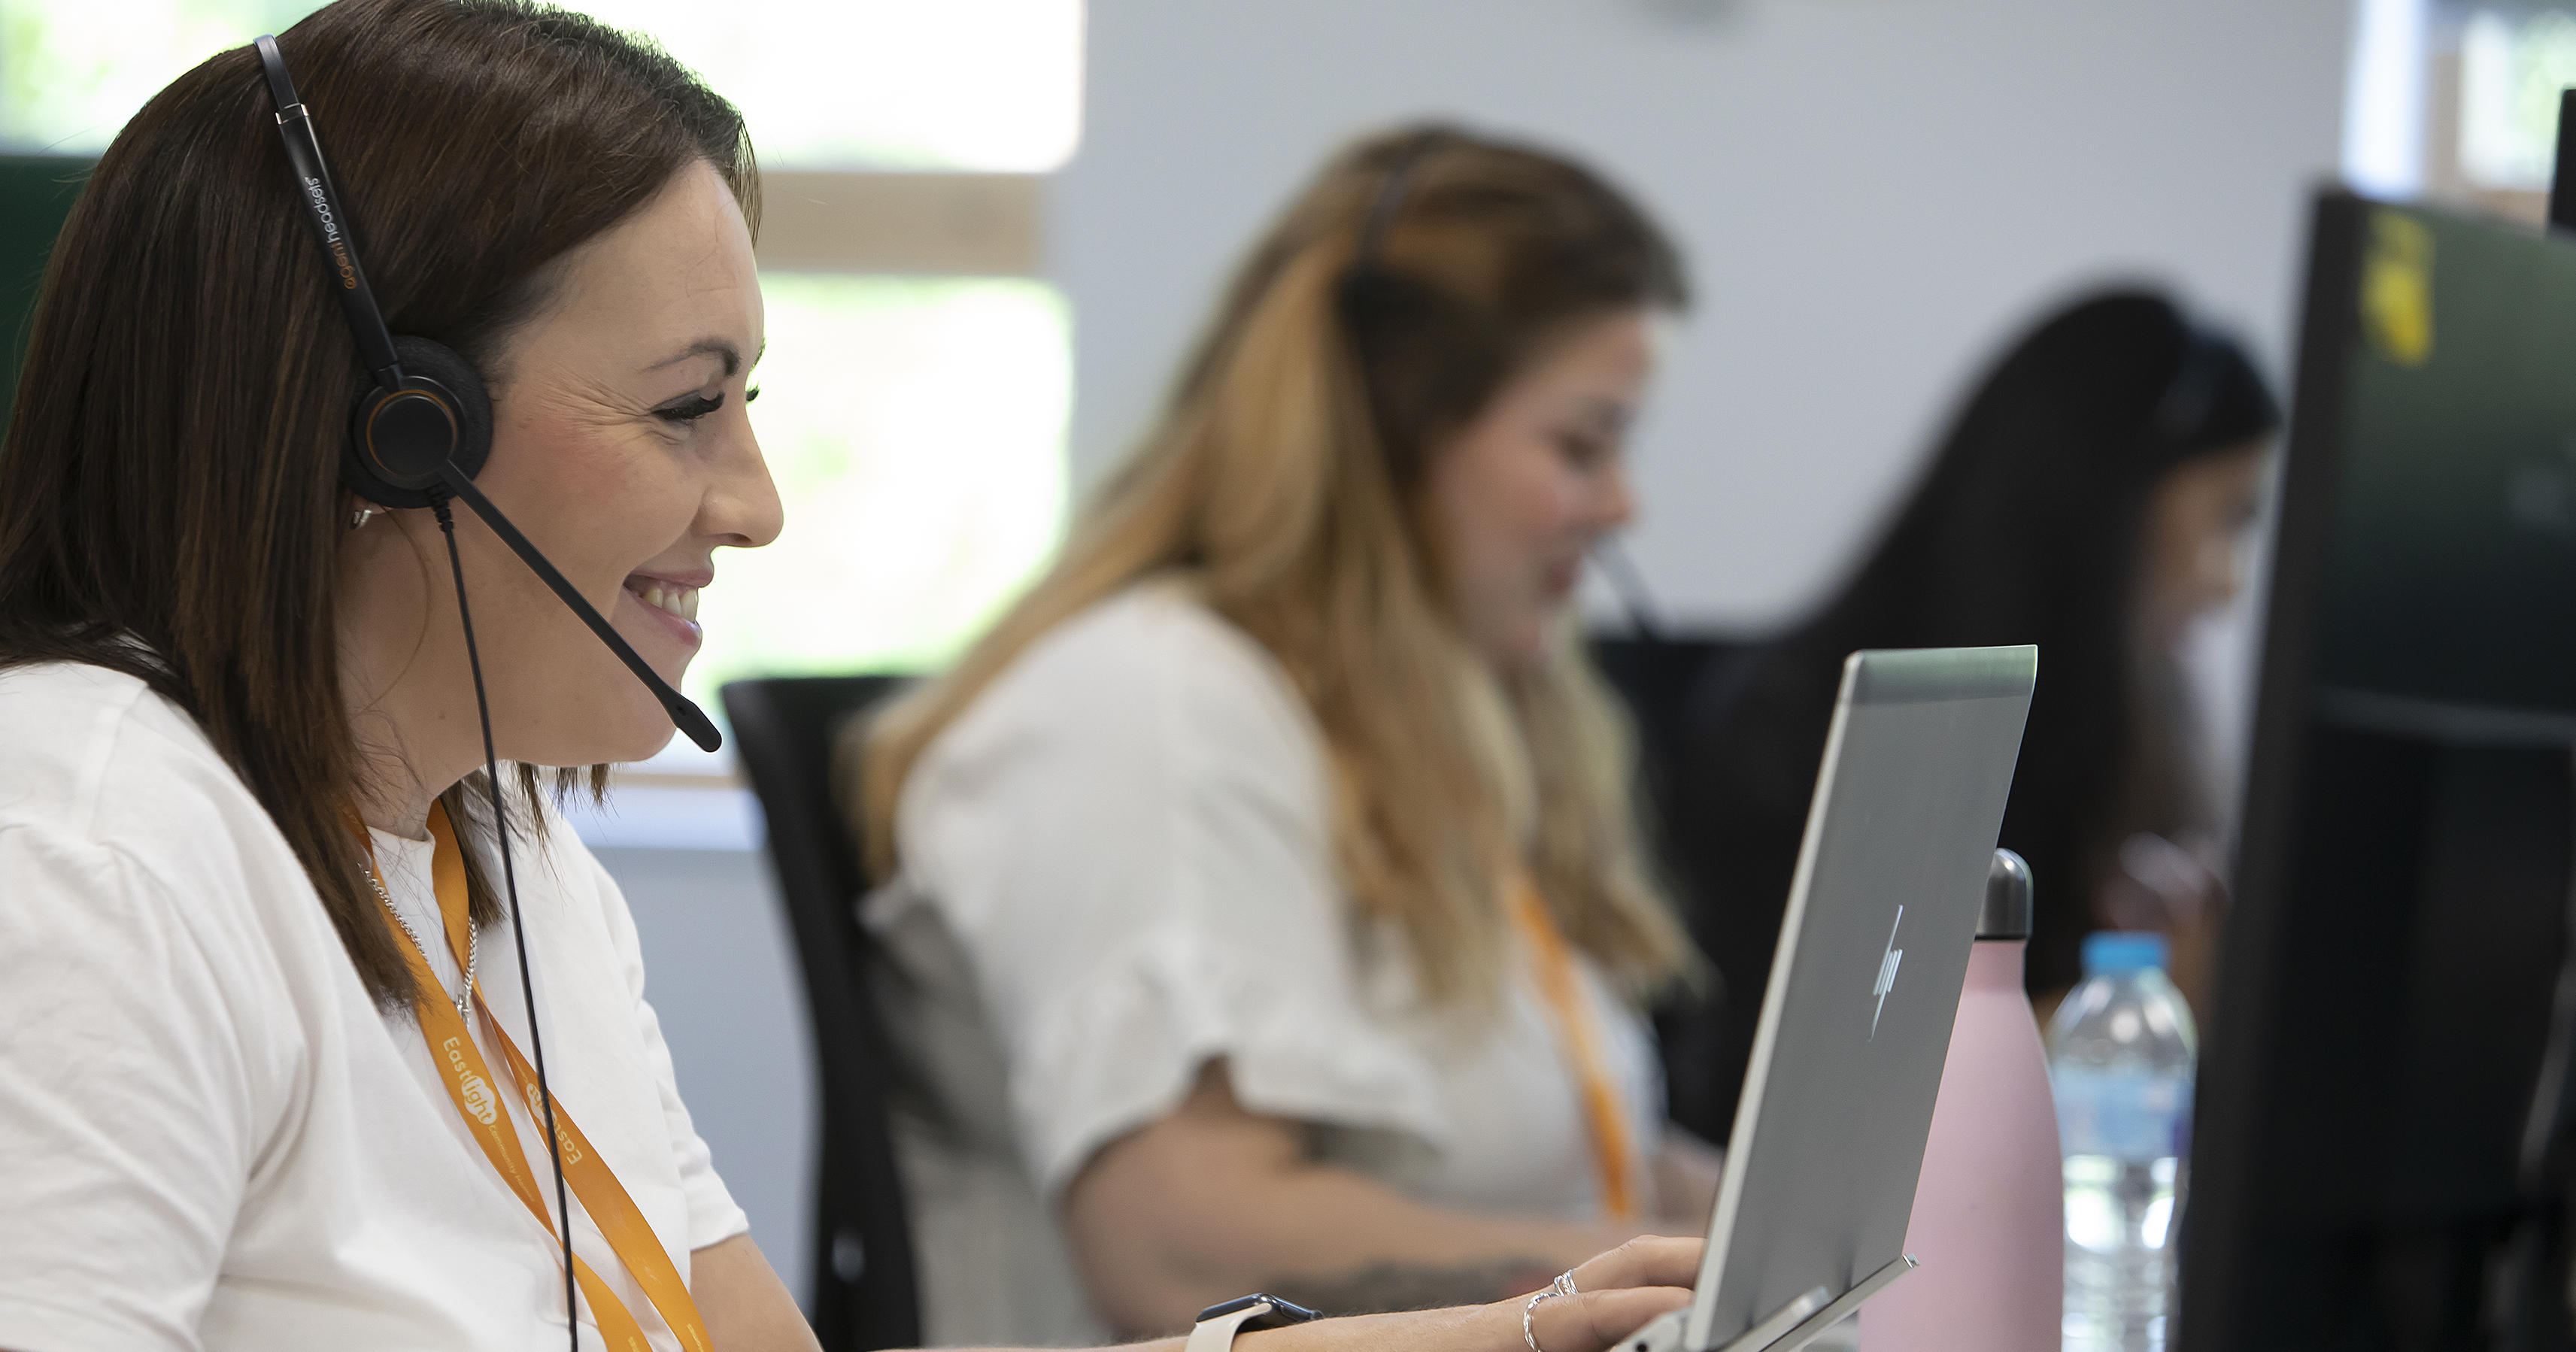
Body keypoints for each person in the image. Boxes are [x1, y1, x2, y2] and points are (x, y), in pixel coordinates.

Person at [0, 7, 1694, 1352]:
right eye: (684, 405)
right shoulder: (86, 851)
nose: (754, 501)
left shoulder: (502, 851)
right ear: (399, 434)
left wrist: (1501, 1331)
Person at [848, 126, 1722, 1346]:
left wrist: (1777, 1226)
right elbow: (1177, 1247)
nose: (1622, 503)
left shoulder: (1406, 720)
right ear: (1394, 435)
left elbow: (1577, 1157)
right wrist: (1684, 1276)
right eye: (1582, 443)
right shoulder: (1149, 711)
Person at [1662, 289, 2280, 1141]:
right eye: (2228, 519)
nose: (2228, 583)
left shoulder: (2144, 722)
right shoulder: (1809, 730)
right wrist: (2133, 1010)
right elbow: (1810, 1120)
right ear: (2105, 507)